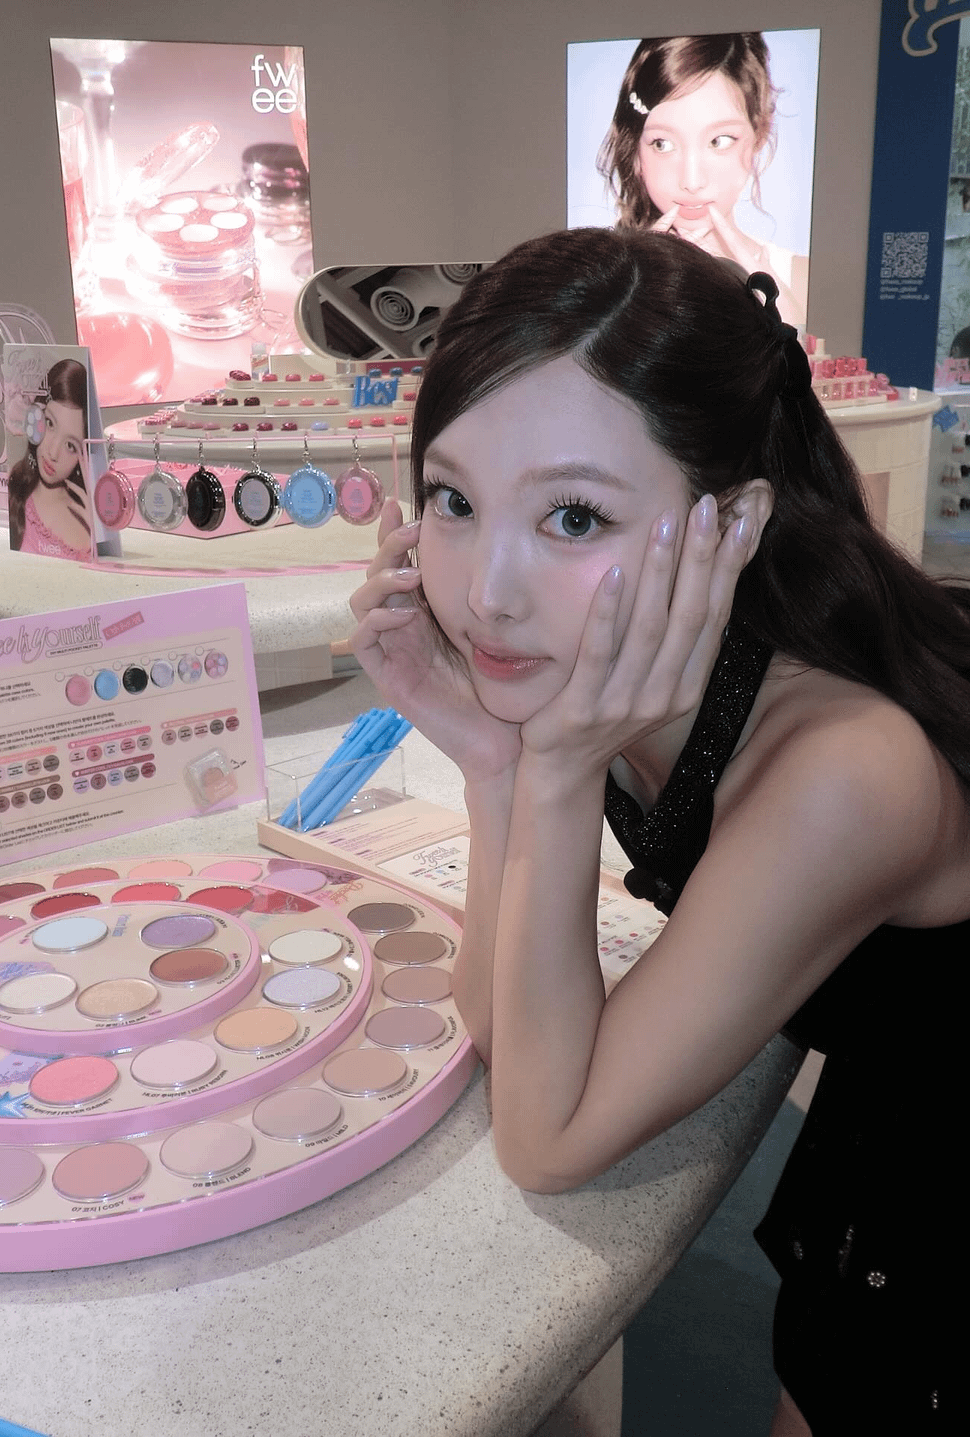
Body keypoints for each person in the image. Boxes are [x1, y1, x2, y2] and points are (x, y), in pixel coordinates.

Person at [350, 229, 960, 1435]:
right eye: (455, 501)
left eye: (575, 518)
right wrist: (496, 766)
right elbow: (506, 1028)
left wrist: (554, 770)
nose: (488, 593)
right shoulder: (634, 680)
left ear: (732, 523)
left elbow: (547, 1135)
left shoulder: (841, 768)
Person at [597, 33, 809, 327]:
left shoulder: (801, 280)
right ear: (634, 151)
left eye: (719, 141)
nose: (692, 181)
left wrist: (787, 323)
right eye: (662, 144)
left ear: (759, 135)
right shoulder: (596, 281)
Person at [7, 357, 91, 557]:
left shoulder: (87, 521)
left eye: (70, 446)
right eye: (50, 423)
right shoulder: (12, 487)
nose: (53, 453)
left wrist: (99, 538)